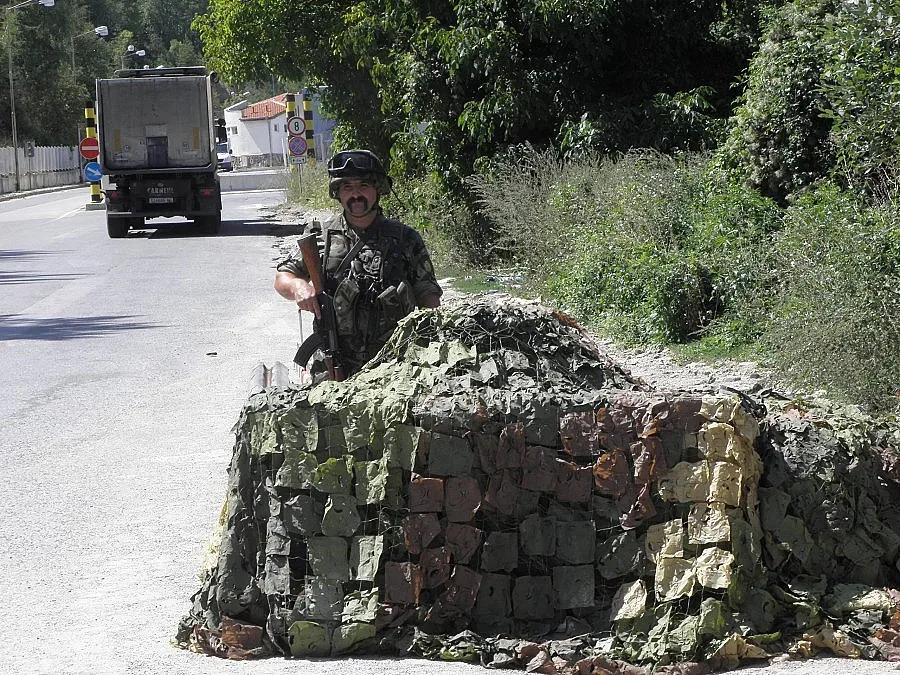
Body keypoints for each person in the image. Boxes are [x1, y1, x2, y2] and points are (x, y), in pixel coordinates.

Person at [275, 149, 442, 377]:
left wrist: (432, 348)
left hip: (396, 364)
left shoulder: (406, 239)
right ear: (338, 193)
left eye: (363, 186)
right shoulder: (321, 238)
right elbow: (283, 277)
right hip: (333, 363)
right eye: (347, 187)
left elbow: (428, 296)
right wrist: (299, 288)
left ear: (378, 190)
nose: (355, 194)